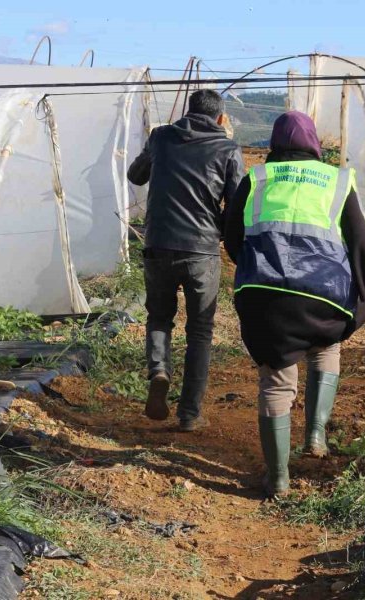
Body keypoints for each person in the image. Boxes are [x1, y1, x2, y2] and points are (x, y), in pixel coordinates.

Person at [224, 111, 365, 496]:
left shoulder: (257, 178)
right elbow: (359, 242)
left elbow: (232, 235)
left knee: (276, 380)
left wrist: (255, 269)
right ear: (314, 143)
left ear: (274, 143)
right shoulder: (337, 180)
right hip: (324, 295)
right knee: (326, 341)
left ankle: (279, 479)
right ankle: (315, 436)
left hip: (264, 297)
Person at [128, 89, 244, 432]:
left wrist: (155, 151)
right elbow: (236, 206)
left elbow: (136, 176)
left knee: (159, 317)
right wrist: (222, 234)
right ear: (220, 119)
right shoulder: (228, 149)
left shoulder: (162, 137)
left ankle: (159, 371)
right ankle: (189, 414)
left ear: (186, 112)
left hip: (159, 243)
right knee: (200, 332)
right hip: (202, 250)